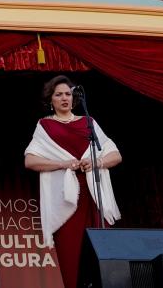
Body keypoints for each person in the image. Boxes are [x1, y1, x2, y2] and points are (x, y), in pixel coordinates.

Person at [24, 75, 122, 288]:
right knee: (72, 259)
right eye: (58, 95)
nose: (64, 98)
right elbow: (30, 161)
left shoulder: (88, 123)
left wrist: (97, 163)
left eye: (68, 94)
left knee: (101, 260)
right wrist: (63, 163)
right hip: (66, 203)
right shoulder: (45, 125)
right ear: (51, 100)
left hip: (94, 196)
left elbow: (115, 155)